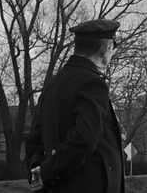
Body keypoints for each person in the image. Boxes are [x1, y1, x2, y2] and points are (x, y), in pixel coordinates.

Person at [25, 19, 125, 192]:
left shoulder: (52, 86)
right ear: (106, 48)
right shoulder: (93, 83)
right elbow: (85, 138)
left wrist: (38, 171)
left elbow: (34, 139)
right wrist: (47, 171)